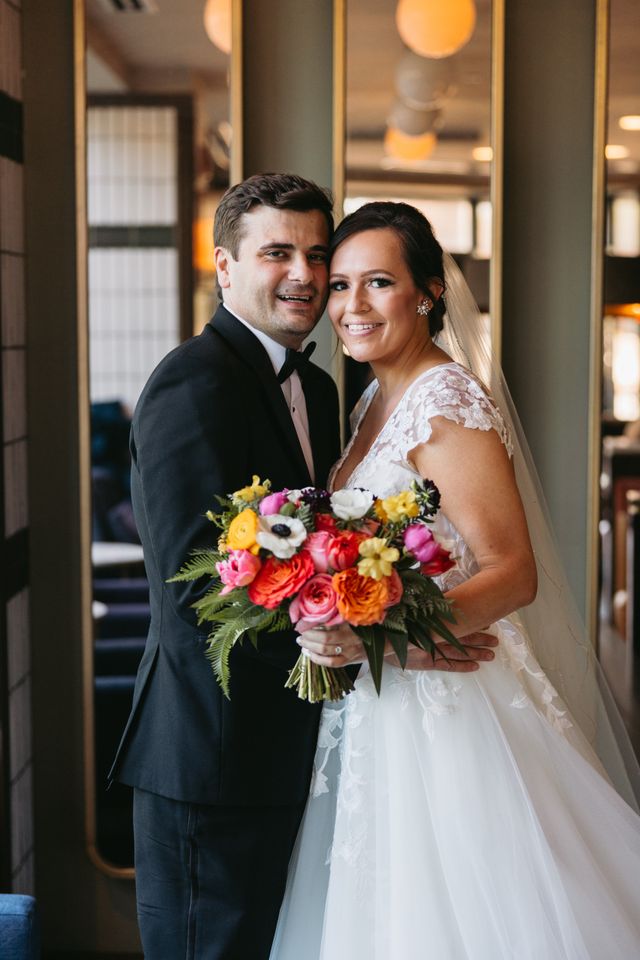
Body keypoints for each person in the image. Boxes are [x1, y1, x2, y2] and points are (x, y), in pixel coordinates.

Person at [108, 175, 497, 960]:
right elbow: (196, 590)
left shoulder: (324, 391)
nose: (305, 276)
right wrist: (388, 642)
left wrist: (393, 637)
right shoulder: (192, 383)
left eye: (318, 256)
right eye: (278, 252)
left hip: (307, 751)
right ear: (225, 266)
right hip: (211, 754)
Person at [270, 201, 640, 959]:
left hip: (454, 707)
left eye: (378, 282)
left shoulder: (446, 400)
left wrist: (377, 634)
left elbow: (513, 573)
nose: (353, 306)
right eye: (339, 286)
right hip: (381, 703)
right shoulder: (375, 399)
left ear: (430, 293)